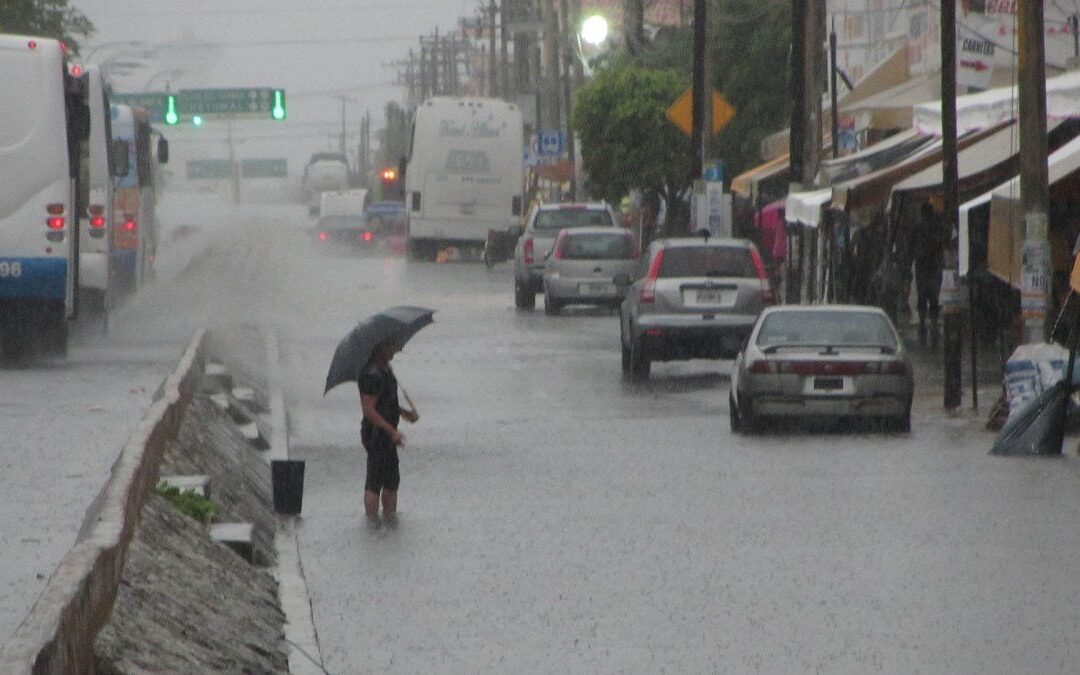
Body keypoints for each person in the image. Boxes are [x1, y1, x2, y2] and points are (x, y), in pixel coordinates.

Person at [358, 338, 418, 529]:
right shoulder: (371, 374)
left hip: (386, 433)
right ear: (379, 348)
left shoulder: (386, 370)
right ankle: (372, 524)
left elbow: (387, 403)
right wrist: (392, 432)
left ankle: (389, 520)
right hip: (376, 433)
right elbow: (369, 409)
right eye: (390, 345)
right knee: (375, 480)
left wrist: (405, 413)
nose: (395, 349)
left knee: (391, 479)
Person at [914, 202, 946, 348]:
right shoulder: (934, 227)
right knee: (931, 297)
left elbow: (911, 247)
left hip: (925, 267)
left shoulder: (920, 228)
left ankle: (925, 324)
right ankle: (930, 325)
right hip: (931, 267)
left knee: (925, 296)